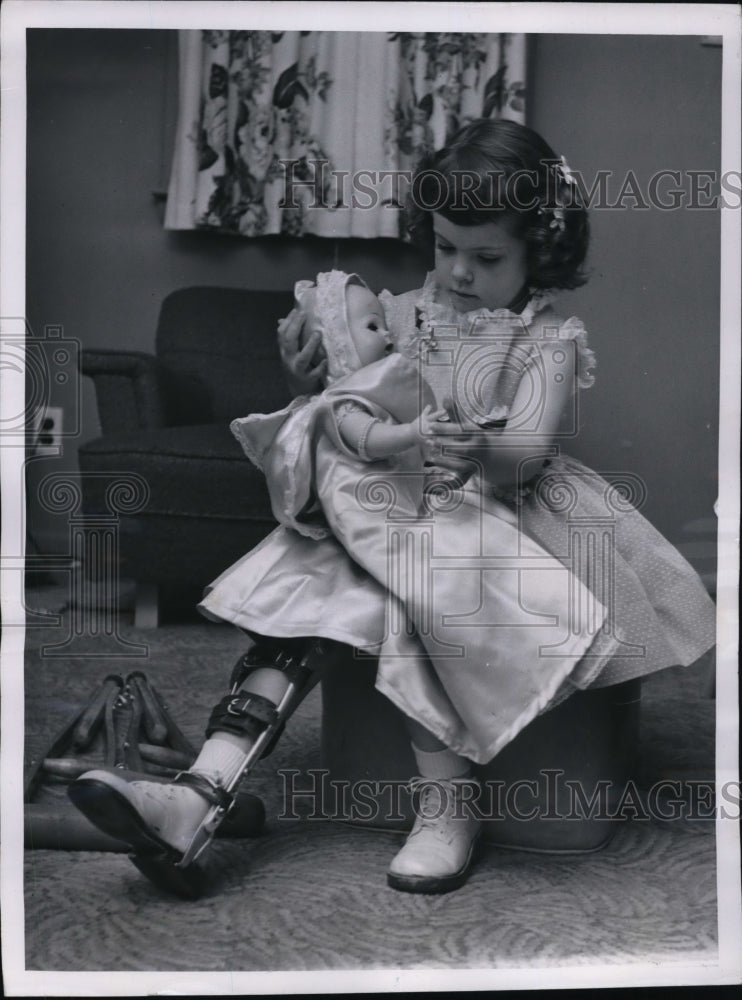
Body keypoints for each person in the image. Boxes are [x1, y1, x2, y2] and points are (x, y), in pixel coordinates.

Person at [69, 119, 716, 899]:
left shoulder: (547, 338)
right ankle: (200, 790)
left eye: (487, 258)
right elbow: (351, 391)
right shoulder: (405, 310)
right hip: (393, 502)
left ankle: (449, 805)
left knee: (425, 595)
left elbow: (525, 457)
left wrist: (469, 440)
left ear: (539, 252)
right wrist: (312, 365)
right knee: (301, 582)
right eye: (445, 247)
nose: (459, 272)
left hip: (503, 512)